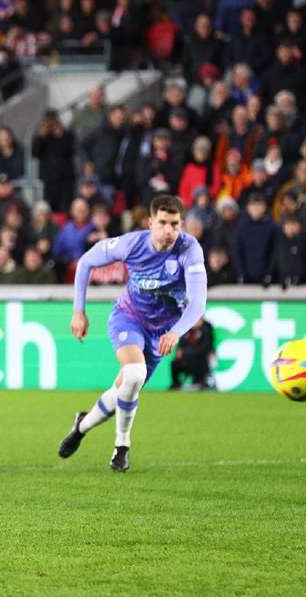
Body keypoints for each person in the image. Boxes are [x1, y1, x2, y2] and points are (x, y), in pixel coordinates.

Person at [58, 195, 207, 471]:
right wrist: (79, 311)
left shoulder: (189, 249)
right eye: (162, 223)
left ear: (182, 224)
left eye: (174, 224)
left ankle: (82, 425)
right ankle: (122, 446)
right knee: (134, 374)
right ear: (151, 223)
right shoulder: (131, 244)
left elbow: (198, 302)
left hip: (161, 331)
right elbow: (86, 262)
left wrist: (175, 332)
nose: (169, 230)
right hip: (129, 318)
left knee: (124, 390)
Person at [169, 318, 215, 390]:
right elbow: (181, 345)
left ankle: (201, 383)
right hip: (186, 359)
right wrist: (180, 351)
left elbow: (205, 348)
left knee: (201, 362)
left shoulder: (206, 328)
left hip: (200, 360)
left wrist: (185, 352)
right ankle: (176, 385)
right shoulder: (187, 328)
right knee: (175, 363)